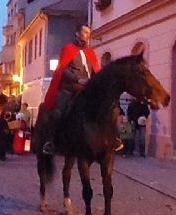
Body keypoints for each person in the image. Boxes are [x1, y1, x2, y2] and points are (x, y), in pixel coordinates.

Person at [42, 24, 123, 155]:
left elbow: (95, 71)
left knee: (109, 108)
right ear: (77, 34)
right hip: (70, 88)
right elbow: (63, 68)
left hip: (87, 89)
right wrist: (77, 79)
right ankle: (51, 142)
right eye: (85, 32)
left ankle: (114, 138)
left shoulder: (90, 52)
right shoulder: (68, 49)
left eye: (89, 33)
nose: (87, 35)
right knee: (58, 112)